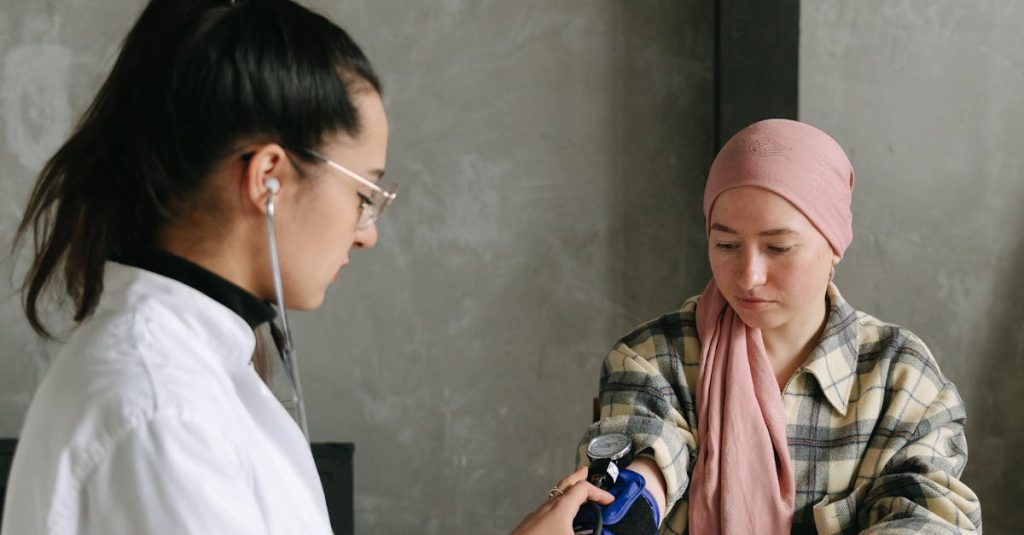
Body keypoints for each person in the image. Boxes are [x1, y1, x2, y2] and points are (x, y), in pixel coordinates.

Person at [2, 0, 605, 533]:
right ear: (268, 177)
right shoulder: (162, 411)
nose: (366, 234)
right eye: (364, 195)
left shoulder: (196, 372)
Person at [575, 119, 983, 534]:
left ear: (834, 243)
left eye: (778, 247)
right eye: (726, 245)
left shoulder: (900, 377)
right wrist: (628, 503)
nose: (749, 276)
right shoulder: (653, 358)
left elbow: (929, 515)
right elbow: (648, 451)